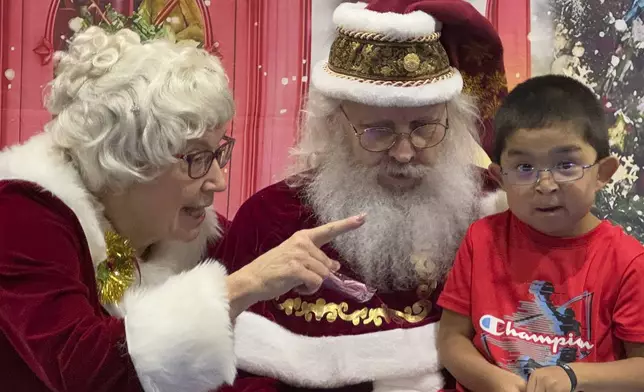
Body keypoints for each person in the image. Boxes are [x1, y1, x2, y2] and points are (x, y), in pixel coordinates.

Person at [0, 26, 364, 392]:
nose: (219, 181)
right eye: (197, 158)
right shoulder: (22, 216)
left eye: (218, 152)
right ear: (127, 162)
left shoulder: (193, 235)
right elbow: (80, 370)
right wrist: (242, 287)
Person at [216, 0, 509, 390]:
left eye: (425, 128)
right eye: (377, 132)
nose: (404, 153)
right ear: (335, 127)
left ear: (452, 123)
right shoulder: (270, 220)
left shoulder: (496, 210)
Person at [438, 75, 644, 392]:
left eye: (566, 165)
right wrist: (492, 380)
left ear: (602, 174)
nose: (545, 185)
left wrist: (574, 376)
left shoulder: (628, 262)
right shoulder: (482, 238)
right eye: (524, 168)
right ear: (500, 177)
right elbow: (451, 339)